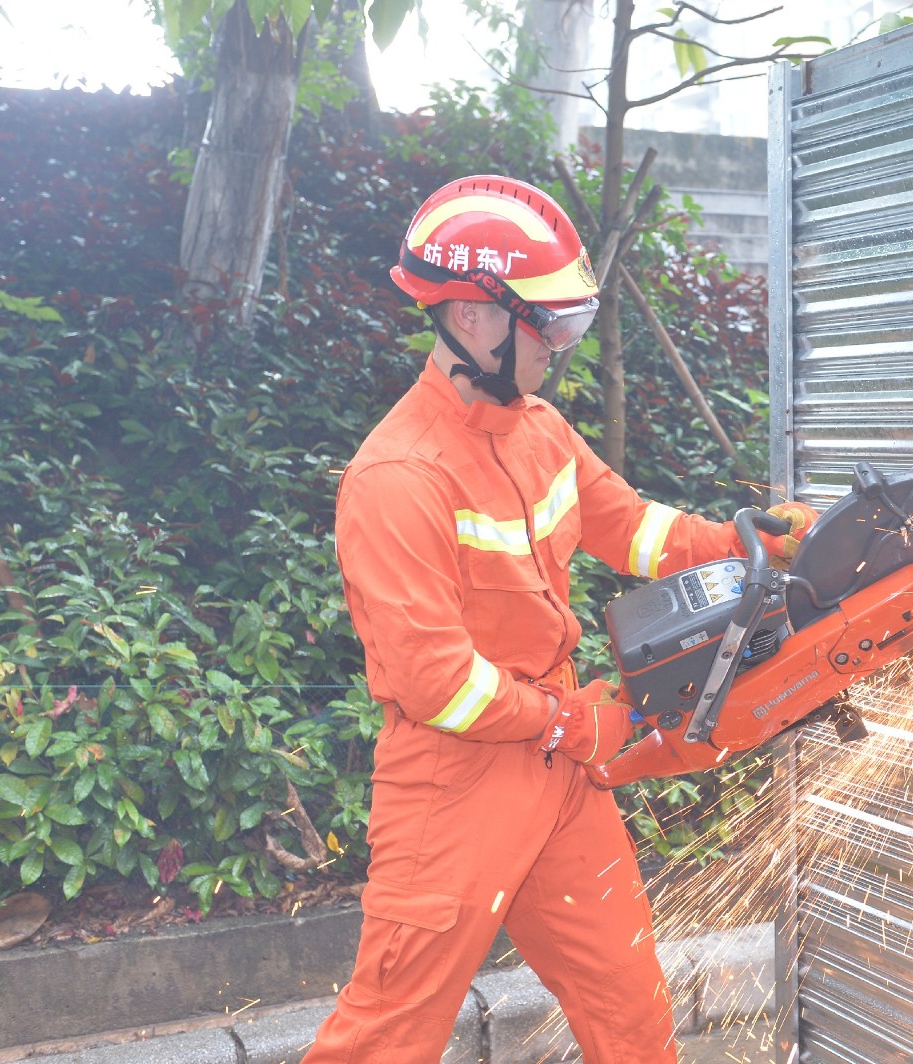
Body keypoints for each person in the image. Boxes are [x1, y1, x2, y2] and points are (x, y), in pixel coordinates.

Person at [302, 175, 816, 1063]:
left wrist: (747, 546)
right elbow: (438, 684)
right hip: (453, 786)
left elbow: (633, 529)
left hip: (560, 771)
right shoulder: (397, 480)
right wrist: (573, 720)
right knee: (389, 1034)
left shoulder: (539, 429)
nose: (563, 346)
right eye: (552, 324)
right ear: (473, 319)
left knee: (631, 1009)